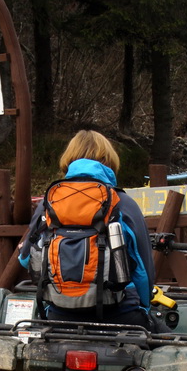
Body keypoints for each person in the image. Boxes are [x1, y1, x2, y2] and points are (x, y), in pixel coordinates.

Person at [19, 130, 160, 331]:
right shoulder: (122, 202)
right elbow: (143, 271)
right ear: (109, 161)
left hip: (59, 316)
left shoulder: (49, 203)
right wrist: (144, 308)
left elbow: (25, 259)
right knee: (170, 344)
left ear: (69, 160)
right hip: (120, 315)